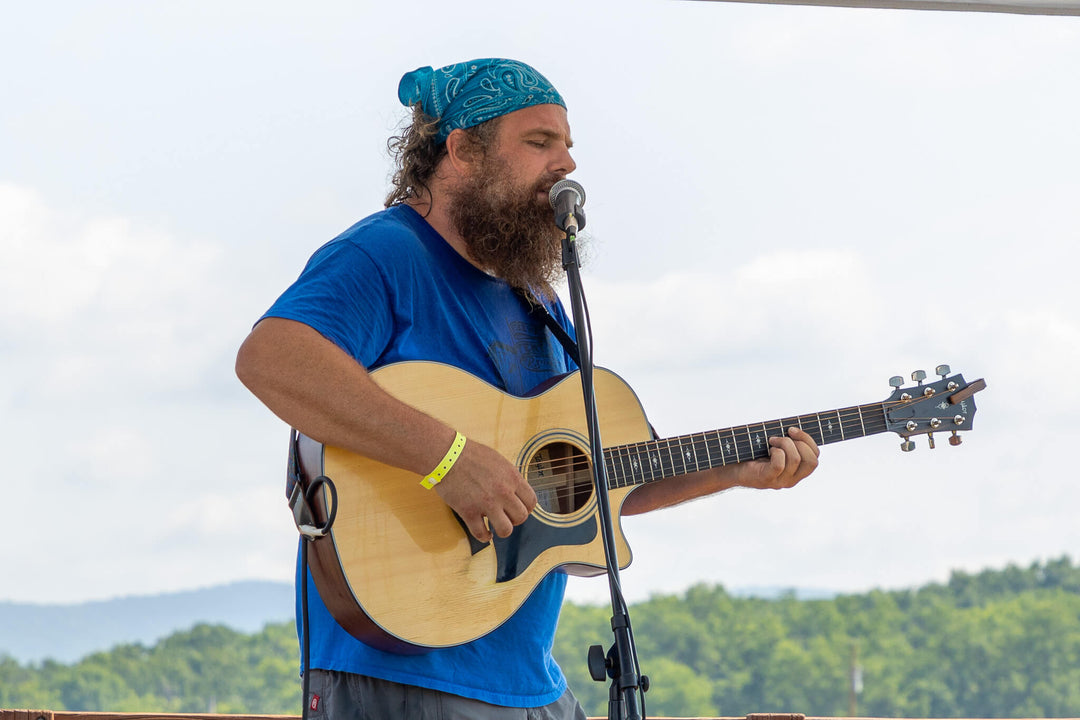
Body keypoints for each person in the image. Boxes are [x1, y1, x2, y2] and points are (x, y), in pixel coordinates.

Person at [235, 57, 820, 720]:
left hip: (527, 678)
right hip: (402, 672)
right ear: (462, 151)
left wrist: (735, 470)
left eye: (567, 145)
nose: (565, 164)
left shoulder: (536, 296)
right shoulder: (385, 254)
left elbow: (595, 480)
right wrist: (449, 459)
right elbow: (272, 359)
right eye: (540, 142)